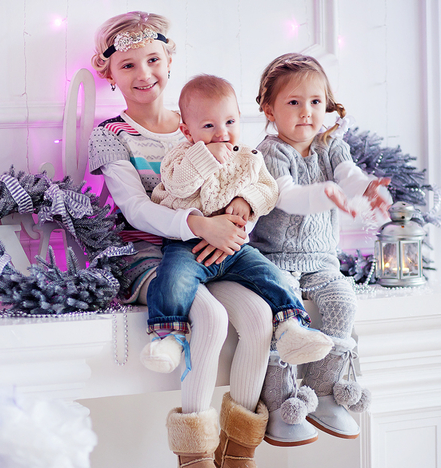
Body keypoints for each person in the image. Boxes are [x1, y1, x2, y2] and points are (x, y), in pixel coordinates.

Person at [88, 12, 284, 468]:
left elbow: (245, 179)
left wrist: (237, 218)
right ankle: (193, 453)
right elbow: (137, 209)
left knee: (259, 317)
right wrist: (200, 226)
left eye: (153, 59)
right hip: (147, 251)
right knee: (211, 318)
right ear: (109, 73)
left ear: (169, 61)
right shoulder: (111, 135)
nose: (144, 73)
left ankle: (240, 451)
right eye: (128, 65)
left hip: (212, 247)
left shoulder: (202, 120)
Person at [143, 74, 334, 379]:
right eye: (209, 126)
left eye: (230, 122)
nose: (222, 133)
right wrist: (204, 157)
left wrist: (247, 200)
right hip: (188, 246)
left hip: (235, 247)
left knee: (270, 275)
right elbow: (178, 185)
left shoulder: (248, 157)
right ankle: (169, 336)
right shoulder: (179, 156)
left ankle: (290, 328)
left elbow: (269, 190)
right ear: (187, 130)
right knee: (173, 278)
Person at [251, 53, 392, 445]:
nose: (306, 112)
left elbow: (349, 176)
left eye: (315, 101)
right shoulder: (270, 152)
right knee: (284, 316)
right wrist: (324, 192)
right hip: (276, 259)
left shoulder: (331, 146)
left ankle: (323, 391)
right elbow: (287, 196)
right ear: (269, 109)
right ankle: (280, 400)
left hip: (322, 261)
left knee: (343, 304)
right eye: (293, 102)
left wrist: (367, 188)